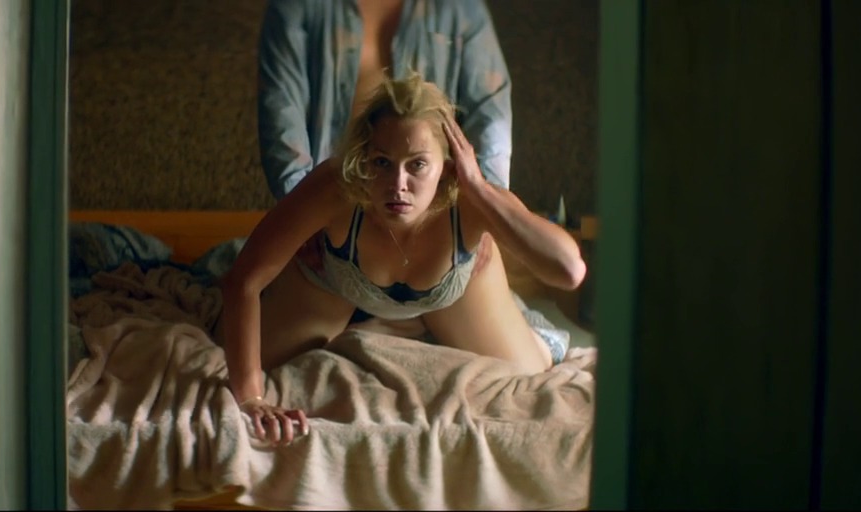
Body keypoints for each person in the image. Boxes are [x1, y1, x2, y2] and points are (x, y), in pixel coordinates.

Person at [218, 73, 586, 445]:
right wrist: (252, 400)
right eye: (382, 162)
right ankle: (376, 319)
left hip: (452, 296)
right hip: (338, 287)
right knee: (234, 350)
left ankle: (428, 319)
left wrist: (478, 187)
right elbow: (243, 281)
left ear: (447, 166)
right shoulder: (337, 188)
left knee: (532, 370)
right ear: (363, 159)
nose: (398, 185)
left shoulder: (469, 200)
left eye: (417, 165)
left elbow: (569, 271)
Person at [257, 0, 514, 201]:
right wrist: (302, 216)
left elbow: (491, 115)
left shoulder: (459, 8)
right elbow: (281, 113)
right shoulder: (299, 5)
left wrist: (486, 212)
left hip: (430, 212)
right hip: (330, 203)